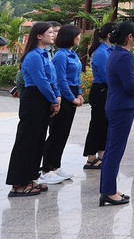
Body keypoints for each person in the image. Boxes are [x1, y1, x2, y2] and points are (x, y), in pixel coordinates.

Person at [5, 22, 60, 197]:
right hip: (34, 98)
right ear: (39, 35)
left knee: (37, 141)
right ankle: (18, 183)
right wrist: (54, 99)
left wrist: (56, 96)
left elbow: (52, 79)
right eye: (50, 32)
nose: (53, 35)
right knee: (27, 140)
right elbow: (41, 81)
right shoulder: (33, 56)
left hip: (43, 98)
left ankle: (30, 178)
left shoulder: (44, 55)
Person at [100, 22, 134, 206]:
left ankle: (109, 188)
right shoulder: (123, 57)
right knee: (115, 149)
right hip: (121, 106)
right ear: (130, 37)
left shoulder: (119, 54)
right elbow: (129, 84)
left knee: (114, 148)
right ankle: (108, 191)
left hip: (119, 105)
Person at [40, 24, 84, 185]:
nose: (79, 37)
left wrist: (79, 93)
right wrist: (71, 98)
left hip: (72, 93)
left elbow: (77, 76)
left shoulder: (73, 55)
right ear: (70, 37)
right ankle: (46, 169)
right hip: (64, 96)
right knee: (56, 133)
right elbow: (61, 80)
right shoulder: (61, 56)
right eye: (77, 35)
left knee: (64, 133)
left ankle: (56, 166)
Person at [83, 21, 116, 170]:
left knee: (105, 123)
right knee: (97, 123)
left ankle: (102, 153)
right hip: (101, 90)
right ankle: (91, 157)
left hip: (107, 90)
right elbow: (107, 76)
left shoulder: (110, 50)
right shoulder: (101, 53)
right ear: (110, 35)